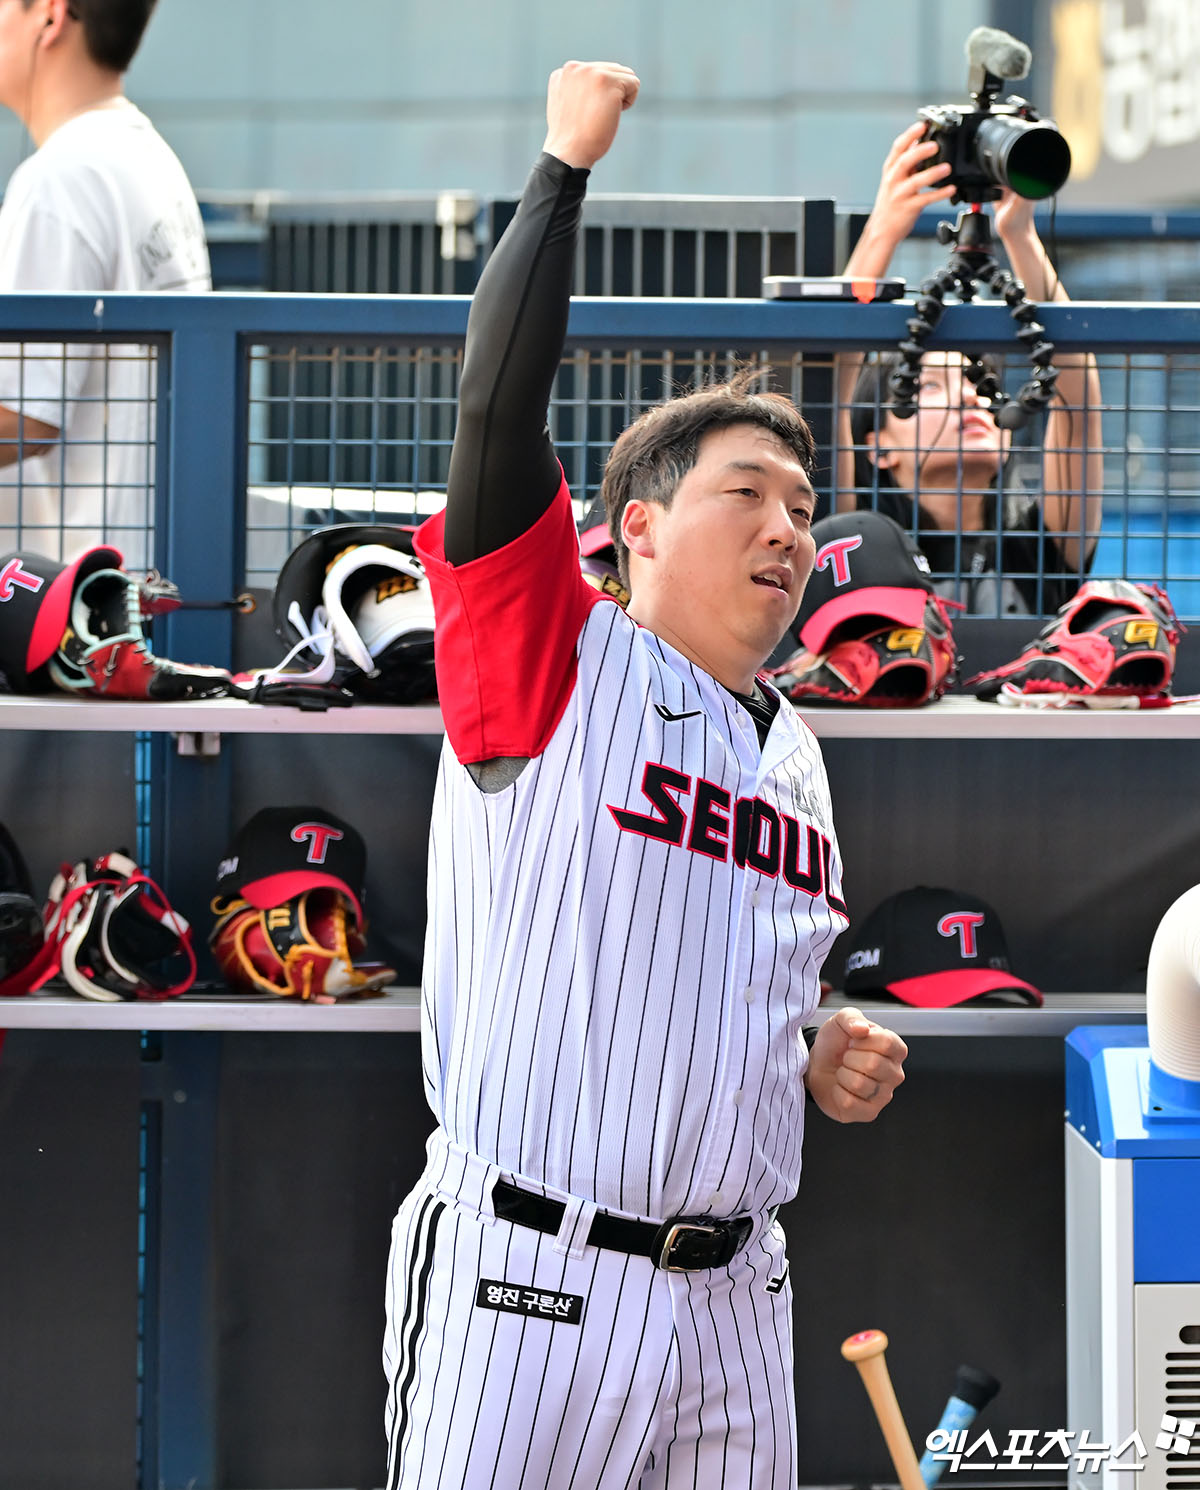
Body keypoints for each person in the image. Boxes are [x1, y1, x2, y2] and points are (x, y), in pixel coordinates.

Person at [385, 61, 908, 1490]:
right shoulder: (554, 651)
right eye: (747, 493)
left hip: (739, 1292)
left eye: (803, 505)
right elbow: (494, 414)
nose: (790, 527)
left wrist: (818, 1053)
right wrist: (562, 170)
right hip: (532, 1278)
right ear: (637, 530)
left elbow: (731, 988)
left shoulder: (795, 749)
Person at [837, 122, 1103, 615]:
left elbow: (1078, 405)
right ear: (877, 448)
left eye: (980, 383)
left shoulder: (1039, 544)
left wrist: (1018, 233)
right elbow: (829, 381)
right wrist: (883, 229)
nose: (968, 396)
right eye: (926, 385)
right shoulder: (854, 543)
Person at [0, 0, 210, 570]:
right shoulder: (147, 156)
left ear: (50, 15)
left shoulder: (60, 179)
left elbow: (24, 418)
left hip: (76, 593)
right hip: (142, 571)